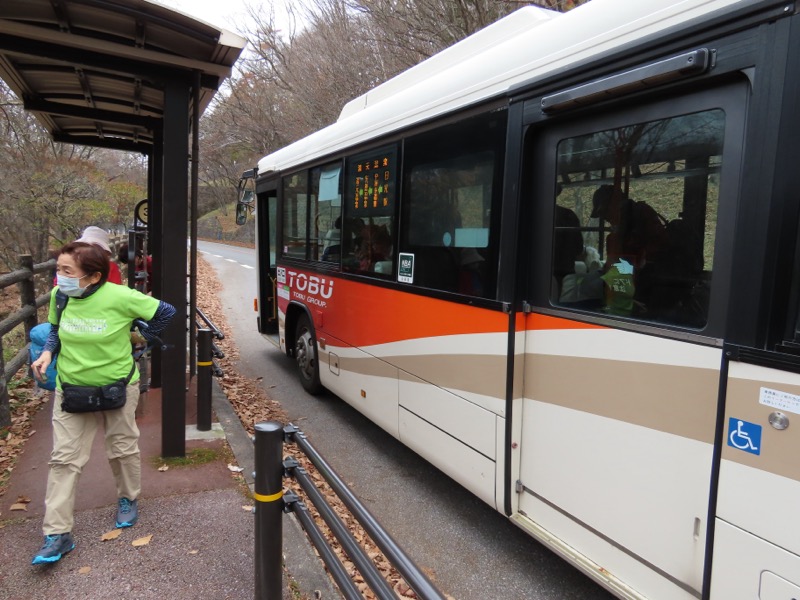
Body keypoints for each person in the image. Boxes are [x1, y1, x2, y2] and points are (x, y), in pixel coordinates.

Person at [29, 242, 175, 565]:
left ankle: (127, 498)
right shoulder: (60, 296)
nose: (60, 277)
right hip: (72, 387)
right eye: (58, 270)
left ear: (94, 277)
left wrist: (143, 340)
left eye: (67, 271)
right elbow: (55, 330)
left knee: (122, 448)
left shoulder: (119, 297)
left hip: (118, 385)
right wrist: (46, 352)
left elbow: (166, 311)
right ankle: (57, 534)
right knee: (64, 460)